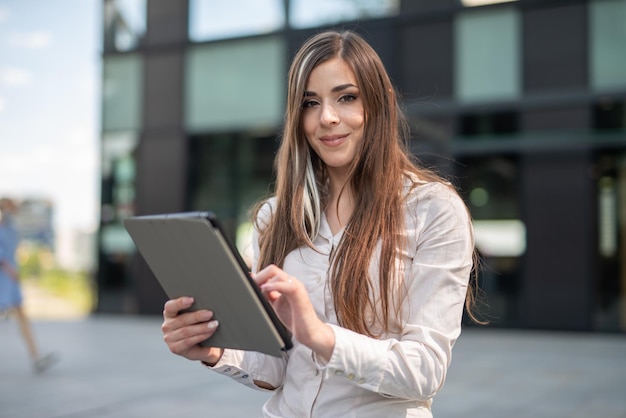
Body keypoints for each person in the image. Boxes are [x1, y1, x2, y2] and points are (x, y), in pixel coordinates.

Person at [162, 30, 479, 417]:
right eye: (311, 103)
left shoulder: (433, 210)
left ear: (382, 104)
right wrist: (213, 350)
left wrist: (320, 335)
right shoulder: (275, 217)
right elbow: (279, 366)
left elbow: (425, 371)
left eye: (346, 97)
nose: (327, 118)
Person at [0, 198, 58, 374]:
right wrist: (9, 268)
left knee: (22, 315)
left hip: (11, 278)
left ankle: (36, 356)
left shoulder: (12, 227)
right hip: (4, 276)